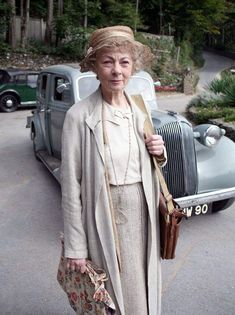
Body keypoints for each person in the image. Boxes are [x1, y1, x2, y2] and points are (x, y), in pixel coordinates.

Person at [61, 25, 167, 315]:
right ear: (95, 67)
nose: (117, 70)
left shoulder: (139, 109)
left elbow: (147, 160)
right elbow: (70, 185)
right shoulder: (79, 116)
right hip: (102, 215)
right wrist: (75, 246)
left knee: (144, 284)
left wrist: (160, 151)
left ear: (133, 66)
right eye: (108, 62)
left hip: (142, 213)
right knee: (110, 295)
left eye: (124, 62)